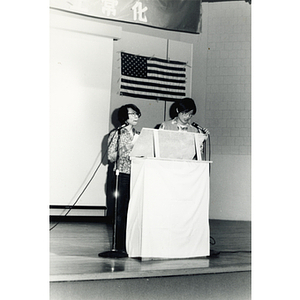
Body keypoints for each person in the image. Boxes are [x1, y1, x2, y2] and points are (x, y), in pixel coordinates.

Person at [107, 104, 141, 255]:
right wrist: (126, 152)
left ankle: (131, 244)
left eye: (137, 114)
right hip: (122, 175)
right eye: (133, 114)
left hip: (137, 175)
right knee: (121, 211)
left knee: (134, 210)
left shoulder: (140, 135)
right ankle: (119, 245)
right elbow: (110, 156)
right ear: (124, 117)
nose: (136, 117)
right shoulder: (117, 134)